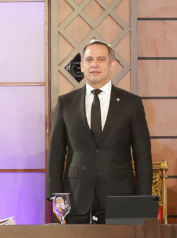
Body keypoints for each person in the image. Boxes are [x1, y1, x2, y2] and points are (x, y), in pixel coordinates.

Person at [46, 38, 151, 223]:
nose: (94, 64)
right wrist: (56, 195)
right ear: (82, 66)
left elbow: (143, 156)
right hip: (75, 198)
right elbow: (56, 154)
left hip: (120, 198)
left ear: (112, 65)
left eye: (101, 59)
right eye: (89, 60)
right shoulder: (66, 103)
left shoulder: (131, 103)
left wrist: (142, 201)